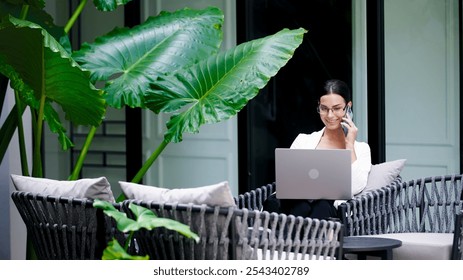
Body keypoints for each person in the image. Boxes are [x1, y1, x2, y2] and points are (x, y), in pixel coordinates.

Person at [263, 79, 372, 219]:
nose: (330, 115)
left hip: (326, 212)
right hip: (295, 205)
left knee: (320, 205)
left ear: (348, 107)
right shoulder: (303, 140)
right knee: (295, 205)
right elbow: (288, 182)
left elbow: (356, 186)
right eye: (324, 108)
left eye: (337, 108)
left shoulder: (361, 149)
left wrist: (349, 144)